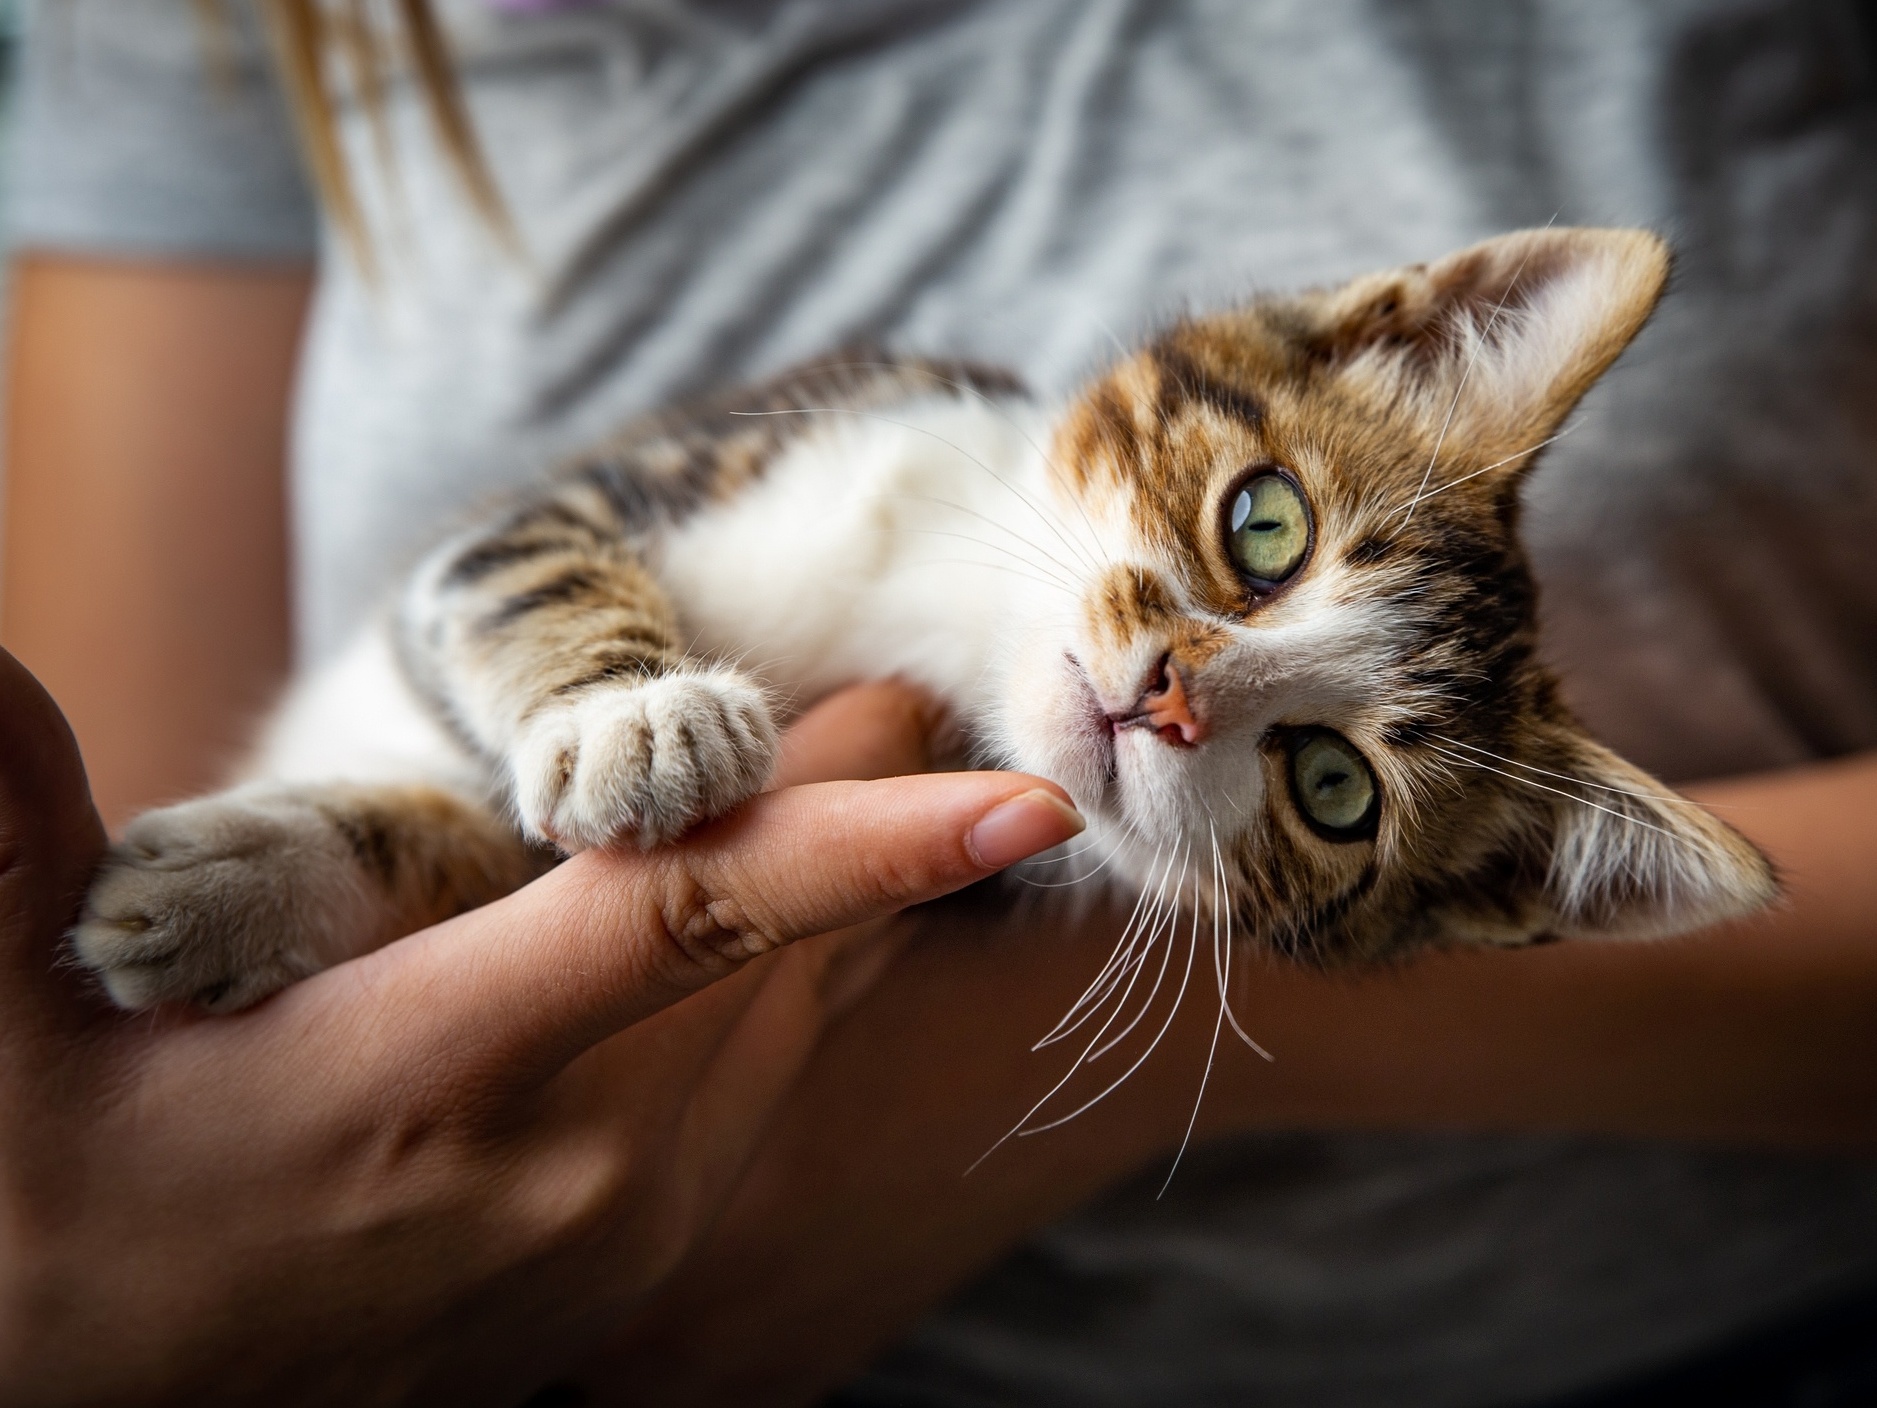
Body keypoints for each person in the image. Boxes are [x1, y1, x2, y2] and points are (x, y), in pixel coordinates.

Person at [2, 0, 1875, 1403]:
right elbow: (134, 858)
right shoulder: (885, 462)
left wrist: (1020, 1074)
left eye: (1324, 786)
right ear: (1398, 329)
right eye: (1264, 524)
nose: (1184, 693)